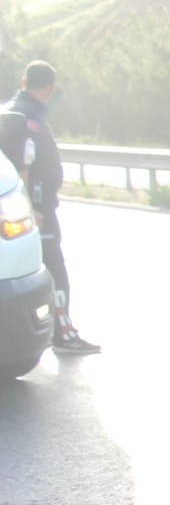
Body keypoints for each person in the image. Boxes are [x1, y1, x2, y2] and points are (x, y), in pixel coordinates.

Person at [0, 61, 100, 353]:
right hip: (34, 212)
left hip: (22, 210)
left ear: (23, 80)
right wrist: (35, 208)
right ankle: (63, 334)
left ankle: (42, 334)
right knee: (54, 270)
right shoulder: (27, 116)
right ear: (51, 88)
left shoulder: (11, 109)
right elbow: (23, 166)